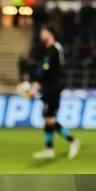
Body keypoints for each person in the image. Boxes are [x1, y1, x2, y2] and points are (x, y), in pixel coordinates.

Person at [32, 25, 80, 160]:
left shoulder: (56, 48)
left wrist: (38, 83)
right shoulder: (47, 50)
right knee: (47, 118)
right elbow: (43, 70)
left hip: (53, 87)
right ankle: (49, 149)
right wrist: (38, 83)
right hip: (47, 87)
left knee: (50, 118)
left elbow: (51, 70)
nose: (41, 35)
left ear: (50, 33)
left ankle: (73, 141)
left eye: (43, 32)